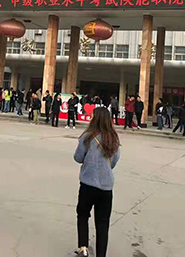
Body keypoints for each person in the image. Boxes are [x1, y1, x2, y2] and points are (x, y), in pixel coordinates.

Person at [74, 107, 121, 257]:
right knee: (103, 222)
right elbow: (114, 161)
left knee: (83, 214)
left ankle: (83, 248)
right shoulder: (113, 139)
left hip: (88, 184)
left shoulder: (87, 137)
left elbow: (78, 157)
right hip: (106, 187)